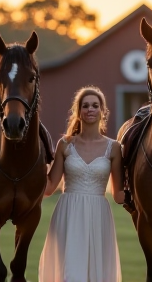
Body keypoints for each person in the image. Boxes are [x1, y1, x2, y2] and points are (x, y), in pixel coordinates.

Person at [38, 85, 125, 282]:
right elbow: (50, 187)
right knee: (69, 273)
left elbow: (119, 195)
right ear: (78, 111)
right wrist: (30, 171)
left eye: (95, 105)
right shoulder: (65, 144)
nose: (90, 109)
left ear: (103, 111)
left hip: (98, 216)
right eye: (85, 106)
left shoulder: (114, 148)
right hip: (68, 214)